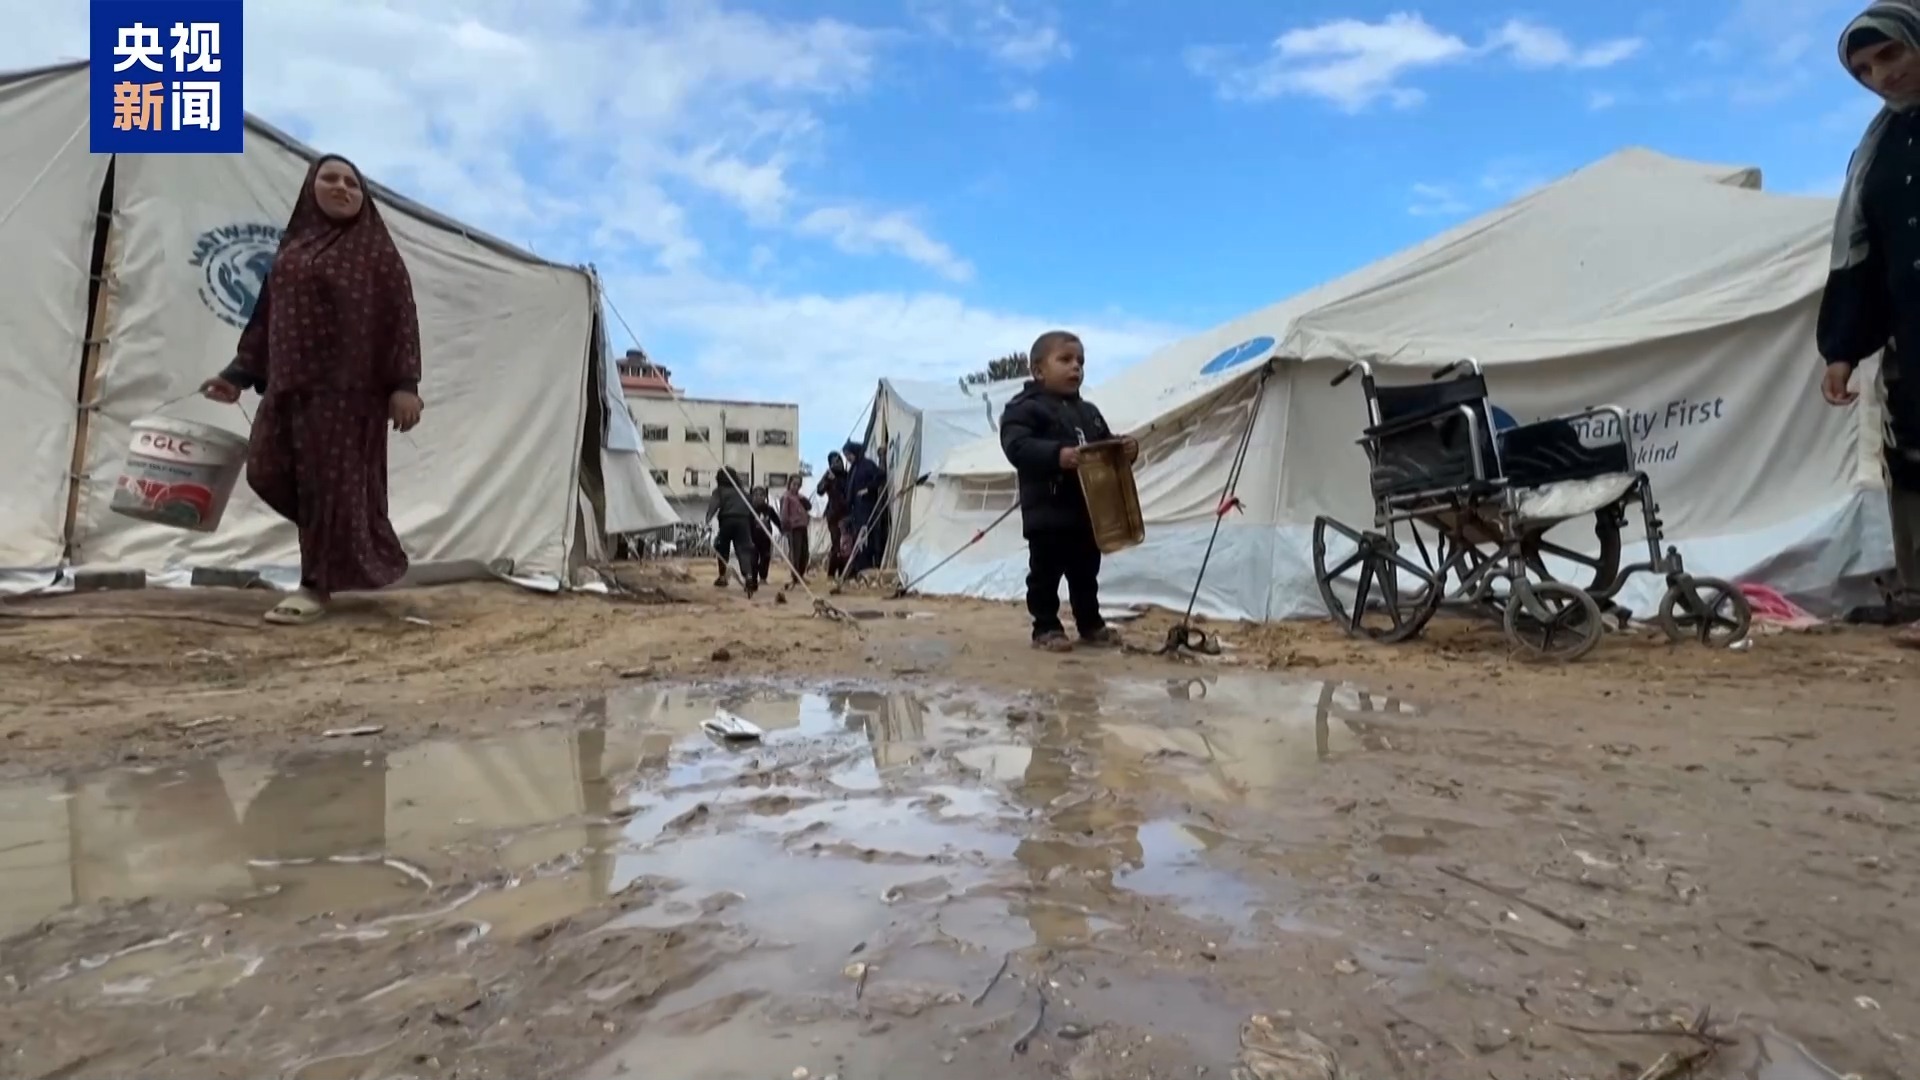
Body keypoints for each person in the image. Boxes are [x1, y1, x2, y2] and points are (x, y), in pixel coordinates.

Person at [199, 154, 423, 626]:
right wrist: (235, 376)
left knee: (325, 490)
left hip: (348, 394)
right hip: (286, 388)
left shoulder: (376, 252)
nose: (343, 188)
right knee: (265, 470)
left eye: (353, 183)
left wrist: (405, 385)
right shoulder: (291, 252)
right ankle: (346, 541)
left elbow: (399, 319)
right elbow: (265, 321)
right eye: (330, 178)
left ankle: (314, 585)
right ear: (309, 187)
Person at [1820, 1, 1920, 648]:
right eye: (1863, 69)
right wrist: (1842, 350)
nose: (1879, 75)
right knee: (1912, 456)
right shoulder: (1876, 151)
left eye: (1890, 54)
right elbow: (1861, 253)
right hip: (1912, 334)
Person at [999, 330, 1136, 651]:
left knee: (1085, 573)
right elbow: (1017, 447)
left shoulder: (1088, 412)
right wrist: (1056, 456)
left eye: (1080, 362)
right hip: (1048, 511)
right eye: (1065, 360)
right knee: (1045, 574)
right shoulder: (1023, 409)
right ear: (1038, 370)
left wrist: (1125, 448)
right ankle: (1045, 628)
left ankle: (1090, 624)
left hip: (1088, 512)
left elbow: (1103, 444)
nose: (1076, 367)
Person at [706, 468, 758, 594]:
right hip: (743, 521)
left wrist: (707, 519)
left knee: (722, 546)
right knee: (743, 549)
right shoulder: (743, 492)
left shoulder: (720, 491)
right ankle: (749, 576)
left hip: (727, 520)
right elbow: (751, 507)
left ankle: (723, 576)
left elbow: (713, 505)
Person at [842, 441, 887, 576]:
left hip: (867, 506)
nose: (848, 458)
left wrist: (867, 489)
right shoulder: (854, 469)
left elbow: (881, 476)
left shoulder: (867, 465)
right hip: (856, 508)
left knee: (866, 535)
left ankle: (867, 564)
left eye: (849, 455)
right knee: (858, 537)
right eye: (846, 456)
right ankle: (859, 566)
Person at [817, 451, 851, 577]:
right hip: (833, 515)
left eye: (839, 461)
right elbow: (819, 490)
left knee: (845, 545)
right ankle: (831, 573)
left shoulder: (847, 476)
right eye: (834, 462)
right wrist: (827, 479)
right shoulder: (829, 476)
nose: (837, 464)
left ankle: (842, 572)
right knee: (836, 544)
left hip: (846, 514)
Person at [779, 474, 813, 581]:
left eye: (798, 485)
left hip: (802, 526)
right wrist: (785, 527)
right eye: (794, 484)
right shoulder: (786, 497)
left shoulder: (800, 497)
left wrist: (802, 499)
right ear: (789, 484)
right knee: (795, 552)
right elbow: (784, 514)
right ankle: (795, 576)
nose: (796, 487)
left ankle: (801, 574)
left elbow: (809, 506)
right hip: (793, 528)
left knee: (804, 551)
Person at [749, 484, 782, 584]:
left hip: (765, 538)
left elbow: (777, 521)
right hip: (752, 539)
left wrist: (782, 530)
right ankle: (753, 577)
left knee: (765, 557)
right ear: (752, 496)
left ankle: (763, 577)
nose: (759, 497)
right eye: (756, 495)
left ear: (765, 497)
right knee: (753, 559)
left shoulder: (769, 509)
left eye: (761, 495)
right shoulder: (749, 509)